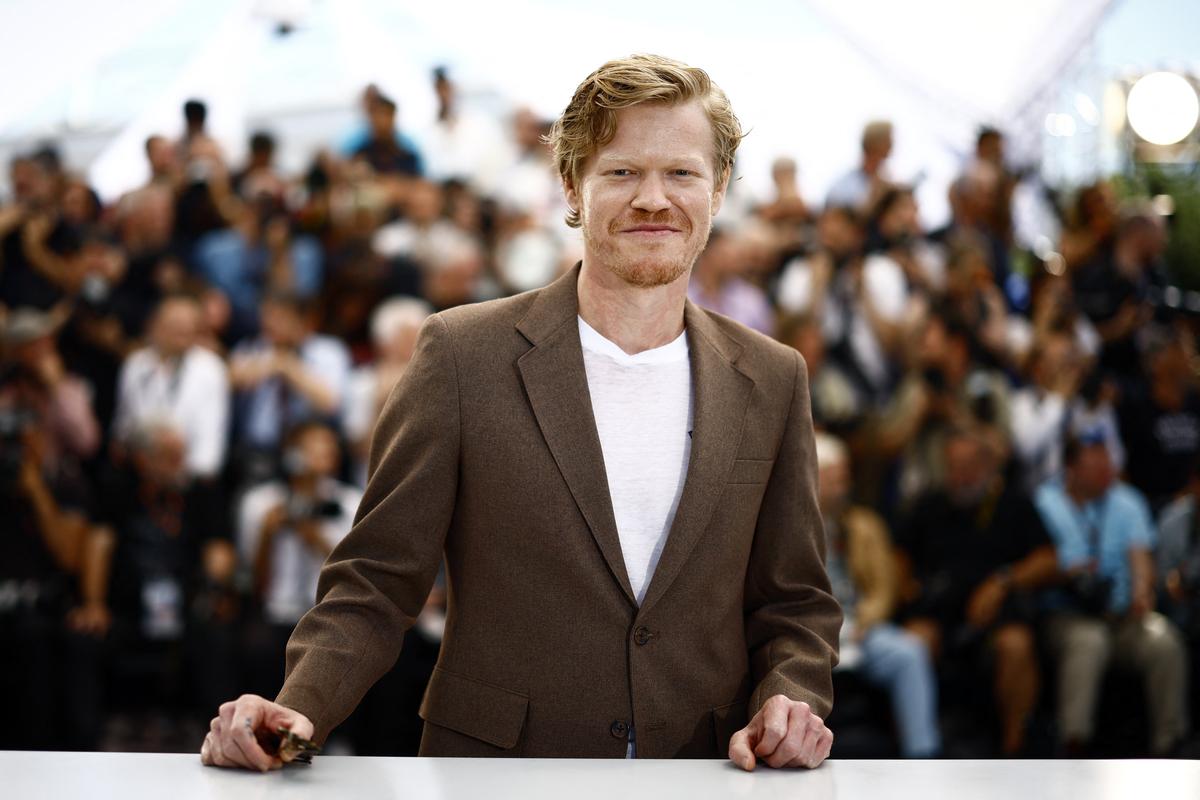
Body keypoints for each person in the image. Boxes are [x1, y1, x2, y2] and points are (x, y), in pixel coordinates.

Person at [202, 53, 840, 772]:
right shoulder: (461, 354)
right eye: (623, 171)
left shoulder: (774, 377)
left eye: (682, 173)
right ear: (572, 184)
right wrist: (300, 704)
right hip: (494, 771)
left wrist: (792, 698)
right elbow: (377, 578)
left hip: (707, 772)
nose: (655, 199)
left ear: (720, 187)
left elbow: (796, 604)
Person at [1035, 432, 1190, 756]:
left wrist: (1142, 592)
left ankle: (1170, 744)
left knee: (1164, 641)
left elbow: (1140, 558)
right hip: (1066, 615)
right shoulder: (1044, 502)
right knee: (1089, 642)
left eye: (1109, 463)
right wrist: (1070, 575)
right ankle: (1073, 746)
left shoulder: (1127, 501)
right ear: (1071, 469)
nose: (1107, 472)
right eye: (1096, 465)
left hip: (1121, 616)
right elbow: (1035, 564)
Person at [816, 433, 940, 758]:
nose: (843, 486)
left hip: (860, 626)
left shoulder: (863, 525)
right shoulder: (790, 526)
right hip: (813, 631)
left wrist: (865, 621)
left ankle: (922, 754)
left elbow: (884, 587)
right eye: (834, 478)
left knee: (909, 653)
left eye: (845, 477)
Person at [112, 294, 230, 480]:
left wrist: (179, 469)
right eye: (175, 325)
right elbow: (122, 428)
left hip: (190, 479)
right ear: (156, 326)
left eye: (188, 326)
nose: (182, 331)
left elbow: (210, 450)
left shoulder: (211, 369)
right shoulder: (135, 365)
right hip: (138, 471)